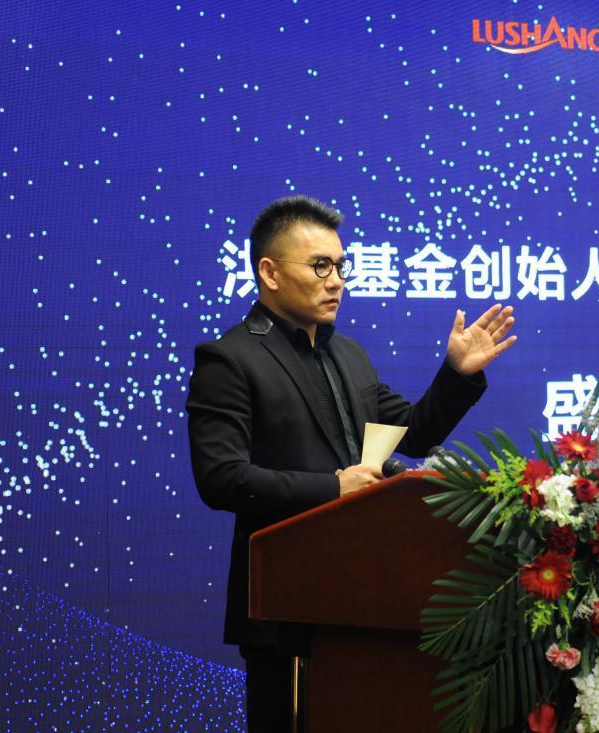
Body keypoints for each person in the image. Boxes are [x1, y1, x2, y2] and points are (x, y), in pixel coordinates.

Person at [186, 195, 516, 732]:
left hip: (370, 599)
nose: (337, 281)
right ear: (269, 272)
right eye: (321, 266)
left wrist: (456, 374)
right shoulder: (230, 359)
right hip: (287, 608)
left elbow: (414, 432)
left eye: (341, 266)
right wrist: (332, 489)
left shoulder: (348, 354)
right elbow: (220, 478)